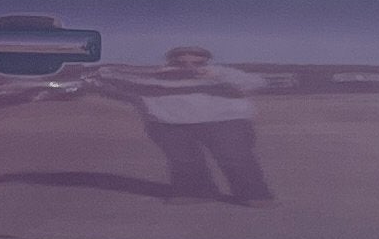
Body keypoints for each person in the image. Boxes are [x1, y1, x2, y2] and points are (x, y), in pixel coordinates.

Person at [116, 45, 274, 204]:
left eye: (197, 62)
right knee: (183, 160)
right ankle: (195, 193)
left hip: (225, 121)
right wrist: (150, 112)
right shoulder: (152, 75)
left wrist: (218, 75)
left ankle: (255, 195)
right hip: (169, 123)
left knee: (235, 157)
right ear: (170, 61)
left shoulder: (220, 72)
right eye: (180, 62)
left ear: (206, 61)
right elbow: (121, 86)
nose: (189, 65)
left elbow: (258, 83)